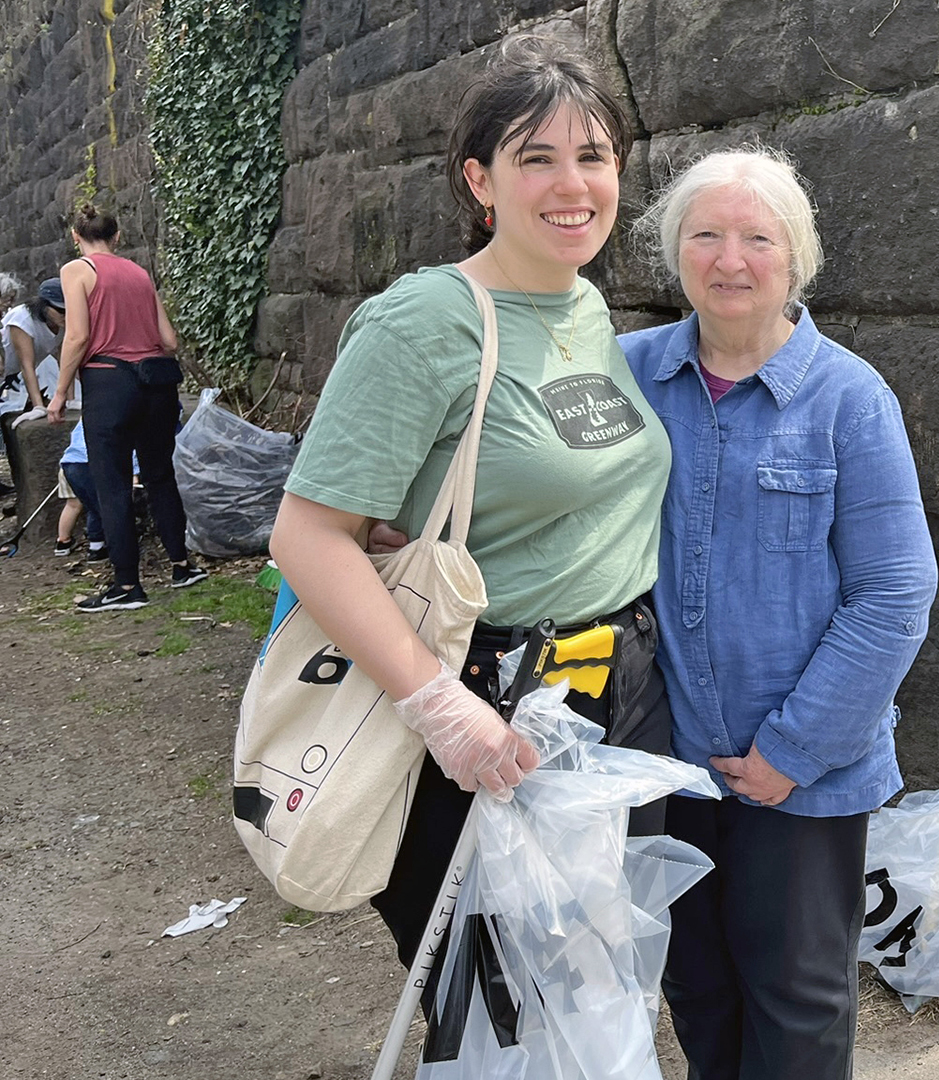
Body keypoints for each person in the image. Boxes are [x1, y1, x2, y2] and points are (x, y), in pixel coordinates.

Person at [269, 34, 674, 973]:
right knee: (495, 1006)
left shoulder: (586, 309)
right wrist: (439, 705)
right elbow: (309, 534)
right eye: (536, 158)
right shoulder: (423, 322)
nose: (572, 184)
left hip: (617, 694)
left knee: (598, 989)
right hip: (487, 704)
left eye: (593, 156)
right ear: (480, 181)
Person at [621, 148, 939, 1080]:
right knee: (698, 993)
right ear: (673, 252)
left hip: (808, 777)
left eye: (757, 238)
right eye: (705, 235)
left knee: (797, 1006)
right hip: (666, 762)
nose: (730, 260)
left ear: (793, 258)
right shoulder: (625, 376)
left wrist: (789, 753)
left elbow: (894, 596)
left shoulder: (850, 399)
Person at [46, 206, 204, 610]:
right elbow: (169, 341)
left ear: (75, 236)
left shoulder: (75, 271)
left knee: (112, 482)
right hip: (156, 384)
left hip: (109, 384)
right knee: (159, 474)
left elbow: (77, 336)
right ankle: (182, 566)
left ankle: (127, 585)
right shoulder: (139, 273)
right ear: (118, 237)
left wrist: (61, 392)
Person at [54, 420, 116, 560]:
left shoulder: (88, 414)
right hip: (88, 464)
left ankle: (63, 541)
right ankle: (99, 546)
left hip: (69, 462)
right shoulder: (115, 413)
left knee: (75, 505)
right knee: (99, 507)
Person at [2, 278, 65, 414]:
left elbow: (66, 362)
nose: (65, 316)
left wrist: (70, 400)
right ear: (44, 306)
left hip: (9, 373)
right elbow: (26, 365)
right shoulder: (21, 318)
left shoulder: (63, 323)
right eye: (61, 310)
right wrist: (39, 407)